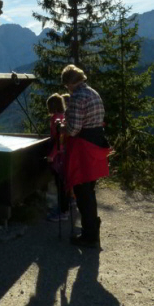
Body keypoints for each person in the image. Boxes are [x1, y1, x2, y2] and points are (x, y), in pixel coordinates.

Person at [61, 64, 110, 248]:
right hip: (96, 143)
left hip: (83, 146)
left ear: (70, 82)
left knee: (82, 191)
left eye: (67, 85)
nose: (67, 89)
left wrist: (61, 128)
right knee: (90, 189)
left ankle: (89, 236)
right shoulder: (93, 93)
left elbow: (73, 130)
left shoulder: (78, 97)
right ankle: (92, 230)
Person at [45, 93, 70, 222]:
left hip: (58, 156)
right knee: (63, 182)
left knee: (60, 183)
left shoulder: (56, 119)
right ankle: (66, 206)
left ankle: (63, 211)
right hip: (64, 154)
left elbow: (58, 140)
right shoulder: (63, 116)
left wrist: (51, 155)